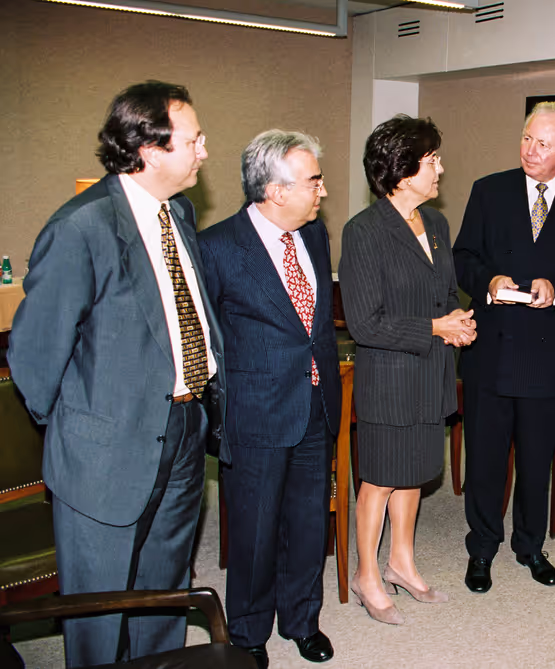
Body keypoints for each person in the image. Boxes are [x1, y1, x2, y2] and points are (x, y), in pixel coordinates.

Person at [8, 81, 224, 667]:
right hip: (104, 453)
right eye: (194, 139)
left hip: (182, 431)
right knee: (100, 612)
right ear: (150, 150)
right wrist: (86, 432)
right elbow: (33, 357)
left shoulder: (176, 211)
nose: (204, 151)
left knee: (162, 592)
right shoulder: (82, 227)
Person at [454, 101, 555, 593]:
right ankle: (481, 548)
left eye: (543, 144)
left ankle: (530, 545)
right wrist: (489, 279)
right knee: (484, 456)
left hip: (549, 351)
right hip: (492, 349)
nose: (530, 150)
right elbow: (464, 256)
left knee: (536, 457)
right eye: (526, 138)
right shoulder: (489, 190)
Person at [198, 130, 340, 668]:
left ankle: (302, 619)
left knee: (309, 522)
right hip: (255, 412)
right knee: (255, 529)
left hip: (313, 401)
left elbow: (317, 322)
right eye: (314, 181)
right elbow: (205, 340)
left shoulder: (315, 234)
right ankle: (250, 631)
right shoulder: (217, 247)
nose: (322, 191)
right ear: (276, 191)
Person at [339, 115, 475, 625]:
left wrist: (457, 323)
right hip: (390, 379)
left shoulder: (436, 223)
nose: (441, 167)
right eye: (432, 159)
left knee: (415, 474)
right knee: (379, 479)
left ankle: (401, 562)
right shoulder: (364, 232)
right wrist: (437, 328)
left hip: (431, 373)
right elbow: (366, 322)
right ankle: (366, 575)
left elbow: (444, 294)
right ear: (401, 168)